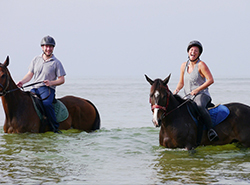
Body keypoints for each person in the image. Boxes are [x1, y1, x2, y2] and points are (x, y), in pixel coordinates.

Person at [17, 35, 66, 132]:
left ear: (53, 48)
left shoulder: (56, 63)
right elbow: (30, 74)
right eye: (46, 46)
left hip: (48, 89)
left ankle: (54, 127)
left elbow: (62, 79)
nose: (48, 49)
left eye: (50, 47)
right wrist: (22, 82)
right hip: (35, 88)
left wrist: (51, 82)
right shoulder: (36, 59)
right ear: (42, 47)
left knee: (47, 104)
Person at [173, 40, 219, 142]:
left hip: (202, 95)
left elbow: (210, 80)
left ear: (199, 54)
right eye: (191, 50)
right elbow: (181, 82)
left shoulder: (201, 65)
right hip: (189, 96)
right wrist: (176, 90)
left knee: (199, 106)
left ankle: (211, 131)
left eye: (196, 51)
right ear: (188, 51)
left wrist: (197, 90)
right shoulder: (183, 66)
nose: (193, 52)